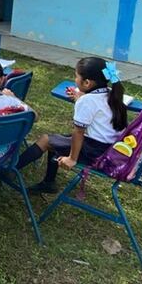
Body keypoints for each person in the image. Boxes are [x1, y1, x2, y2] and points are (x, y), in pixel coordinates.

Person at [16, 57, 127, 194]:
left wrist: (72, 158)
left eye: (76, 76)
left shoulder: (87, 101)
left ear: (87, 83)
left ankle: (10, 168)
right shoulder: (111, 93)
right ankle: (49, 183)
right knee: (56, 140)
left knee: (45, 140)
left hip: (95, 151)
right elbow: (95, 111)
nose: (75, 79)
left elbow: (78, 132)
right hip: (110, 148)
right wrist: (80, 97)